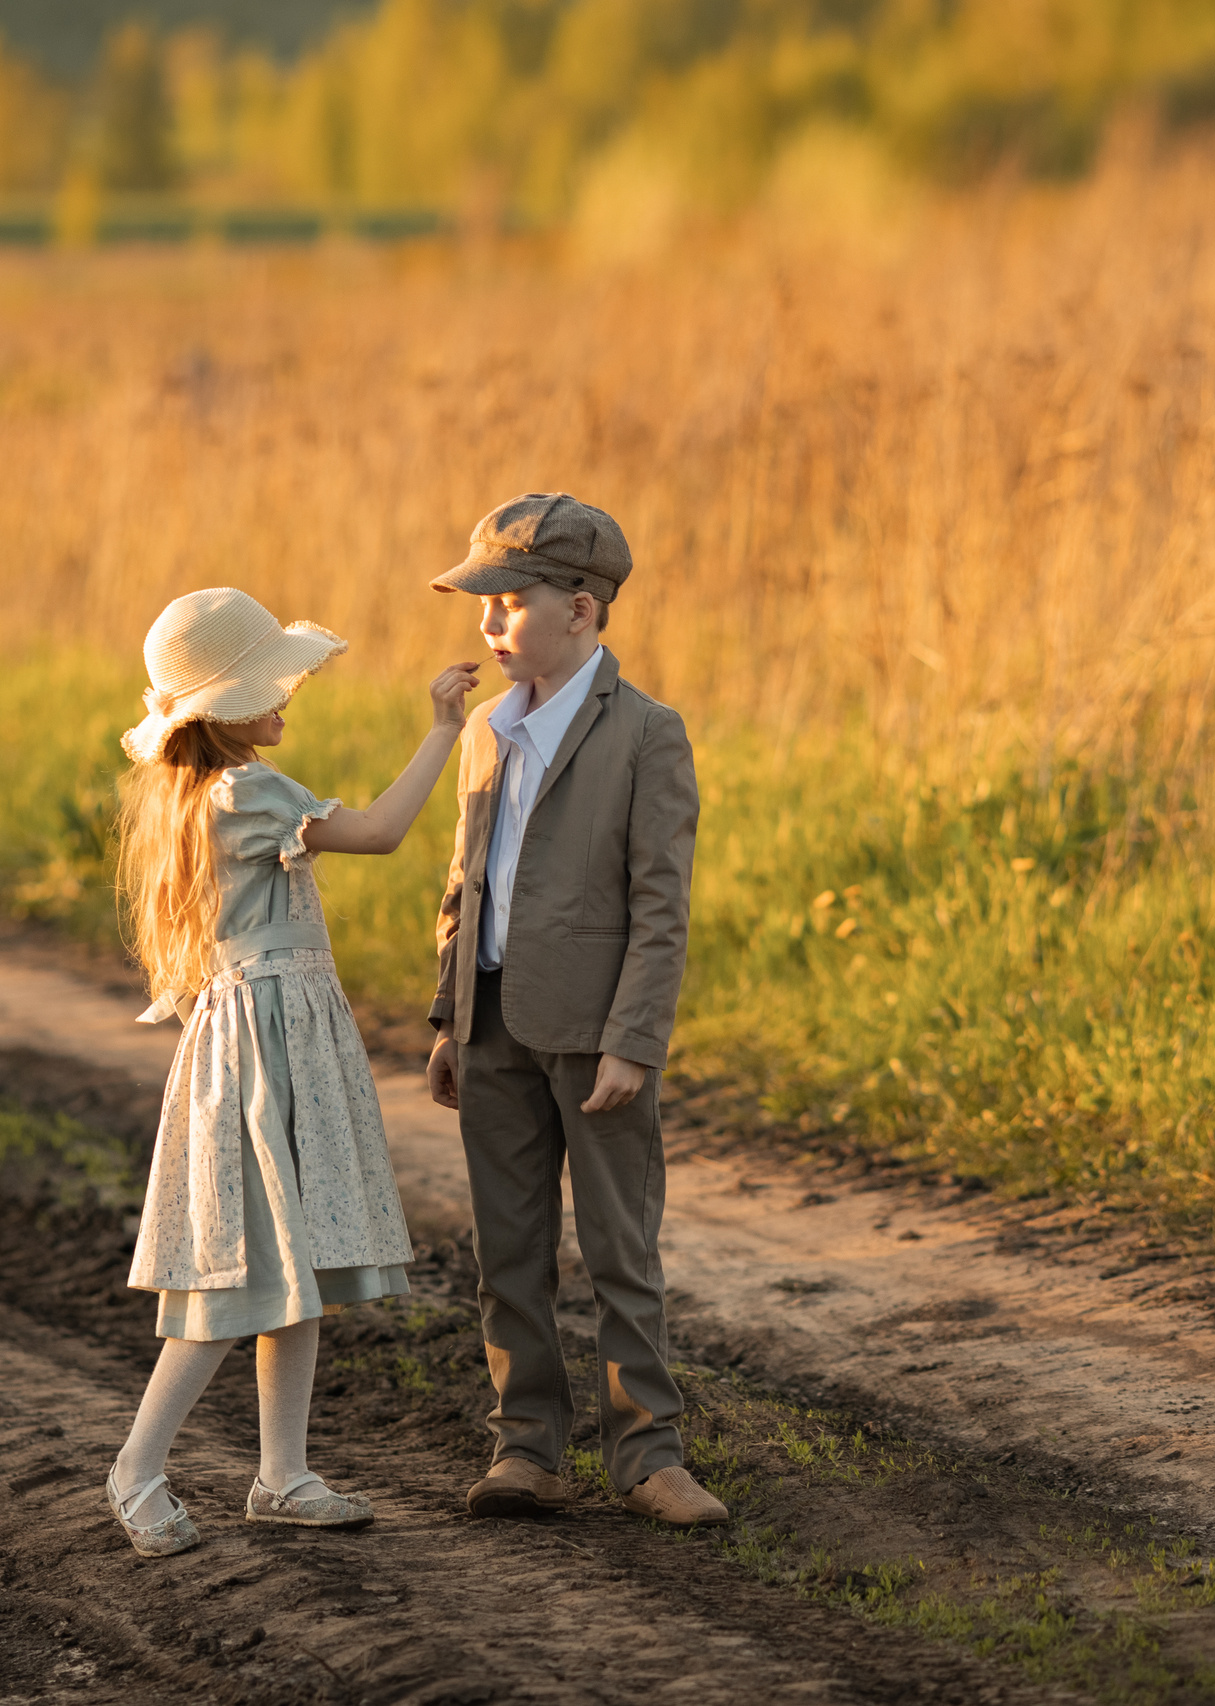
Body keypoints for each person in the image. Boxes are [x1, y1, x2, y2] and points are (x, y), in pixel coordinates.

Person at [105, 586, 479, 1558]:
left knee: (293, 1263)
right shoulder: (246, 791)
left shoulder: (200, 796)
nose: (289, 695)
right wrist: (443, 731)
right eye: (267, 683)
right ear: (218, 709)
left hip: (263, 1036)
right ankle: (137, 1466)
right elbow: (384, 831)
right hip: (268, 1045)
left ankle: (282, 1472)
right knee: (240, 1276)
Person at [425, 493, 729, 1527]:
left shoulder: (646, 735)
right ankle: (526, 1448)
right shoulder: (482, 728)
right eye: (483, 604)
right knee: (505, 1249)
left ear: (583, 611)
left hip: (595, 1036)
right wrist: (445, 1017)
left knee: (617, 1249)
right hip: (494, 1022)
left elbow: (661, 902)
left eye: (509, 602)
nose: (489, 623)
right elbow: (462, 883)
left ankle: (648, 1452)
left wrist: (634, 1041)